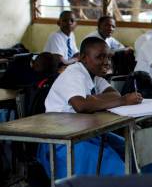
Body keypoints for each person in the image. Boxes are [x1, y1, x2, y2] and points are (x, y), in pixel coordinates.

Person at [38, 37, 143, 178]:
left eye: (108, 57)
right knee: (113, 164)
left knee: (133, 150)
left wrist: (93, 101)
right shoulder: (74, 73)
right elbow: (81, 105)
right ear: (83, 58)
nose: (106, 62)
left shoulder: (95, 76)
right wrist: (123, 100)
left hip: (86, 132)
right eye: (100, 57)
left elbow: (114, 94)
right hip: (62, 139)